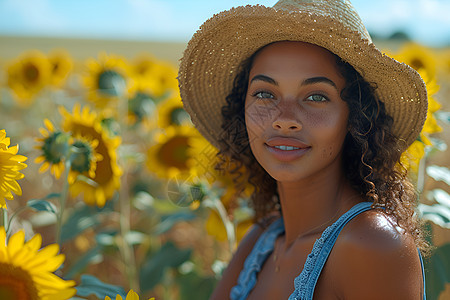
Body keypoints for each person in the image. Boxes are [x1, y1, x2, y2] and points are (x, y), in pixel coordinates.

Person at [178, 0, 429, 299]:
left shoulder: (373, 244)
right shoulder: (262, 241)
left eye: (316, 97)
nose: (284, 120)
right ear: (240, 108)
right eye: (264, 93)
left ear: (357, 117)